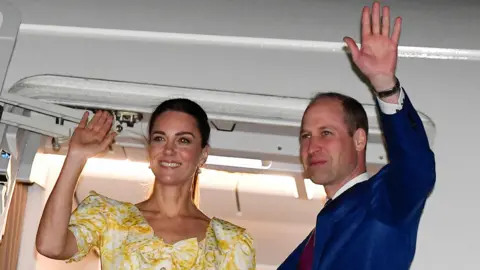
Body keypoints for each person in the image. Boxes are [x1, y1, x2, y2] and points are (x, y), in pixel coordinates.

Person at [278, 2, 435, 270]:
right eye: (305, 136)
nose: (312, 146)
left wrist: (385, 85)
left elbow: (416, 166)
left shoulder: (383, 201)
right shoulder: (318, 233)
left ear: (359, 140)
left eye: (326, 133)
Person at [36, 98, 256, 269]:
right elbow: (50, 246)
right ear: (150, 150)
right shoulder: (111, 218)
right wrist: (76, 156)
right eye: (160, 138)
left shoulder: (230, 242)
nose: (169, 150)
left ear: (202, 155)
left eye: (183, 140)